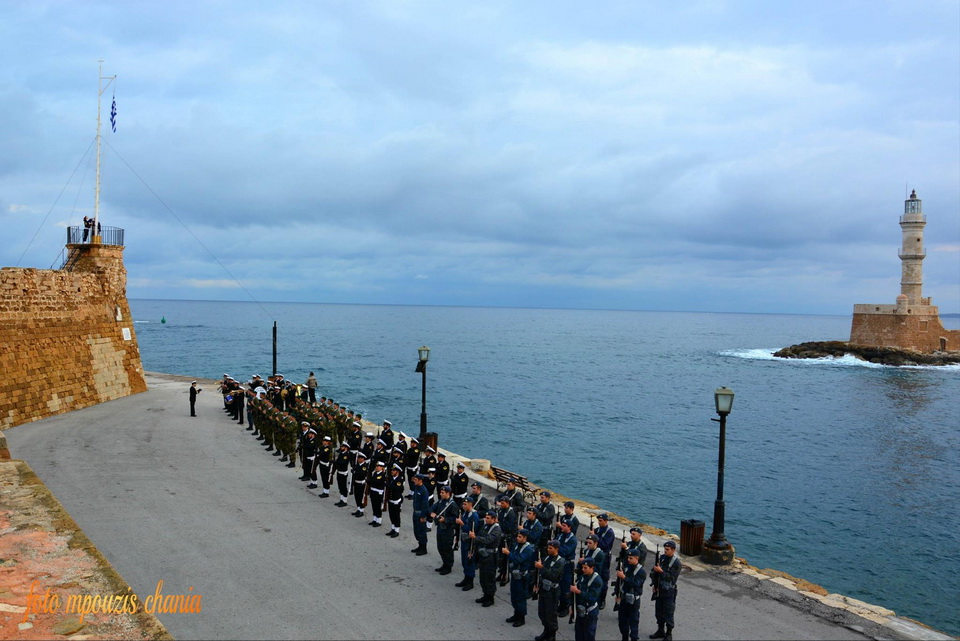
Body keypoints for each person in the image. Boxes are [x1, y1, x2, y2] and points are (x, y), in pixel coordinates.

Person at [503, 528, 536, 627]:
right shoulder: (516, 545)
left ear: (525, 538)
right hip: (515, 574)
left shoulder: (528, 549)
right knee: (514, 596)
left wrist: (508, 553)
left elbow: (519, 559)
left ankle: (521, 617)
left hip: (522, 577)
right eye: (517, 536)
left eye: (520, 537)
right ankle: (516, 614)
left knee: (520, 597)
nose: (517, 538)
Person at [650, 540, 681, 641]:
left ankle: (669, 633)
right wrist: (654, 584)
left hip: (669, 592)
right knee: (658, 612)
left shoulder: (676, 563)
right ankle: (660, 630)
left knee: (668, 613)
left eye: (667, 549)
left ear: (673, 550)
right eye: (665, 549)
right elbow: (654, 572)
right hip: (660, 589)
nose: (665, 551)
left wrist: (661, 571)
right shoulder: (662, 558)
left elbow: (672, 578)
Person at [535, 539, 565, 641]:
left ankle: (552, 635)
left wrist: (541, 568)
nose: (548, 549)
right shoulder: (548, 558)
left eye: (551, 548)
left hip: (552, 591)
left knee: (550, 614)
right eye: (548, 547)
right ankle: (546, 631)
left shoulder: (560, 561)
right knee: (542, 612)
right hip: (544, 588)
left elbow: (553, 575)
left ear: (556, 549)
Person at [471, 510, 502, 607]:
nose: (486, 519)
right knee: (483, 577)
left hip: (491, 556)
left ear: (494, 519)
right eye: (486, 517)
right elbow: (480, 535)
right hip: (483, 554)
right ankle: (485, 594)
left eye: (488, 518)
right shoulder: (485, 526)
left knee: (489, 578)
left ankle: (490, 597)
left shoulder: (496, 529)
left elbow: (488, 540)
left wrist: (475, 538)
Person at [616, 547, 647, 641]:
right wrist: (617, 593)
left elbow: (636, 584)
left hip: (633, 600)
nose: (628, 560)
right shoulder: (627, 567)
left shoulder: (641, 571)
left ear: (637, 558)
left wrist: (624, 577)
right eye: (628, 558)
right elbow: (619, 582)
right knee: (622, 622)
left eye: (631, 558)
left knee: (633, 622)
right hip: (624, 597)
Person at [571, 557, 602, 641]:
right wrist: (572, 607)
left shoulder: (597, 581)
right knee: (579, 633)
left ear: (592, 568)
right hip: (581, 610)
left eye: (585, 568)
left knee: (588, 635)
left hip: (590, 612)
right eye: (582, 567)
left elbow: (592, 598)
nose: (583, 570)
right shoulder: (583, 577)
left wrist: (579, 592)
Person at [455, 495, 481, 591]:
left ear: (470, 505)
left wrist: (462, 524)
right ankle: (466, 578)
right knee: (464, 561)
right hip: (464, 540)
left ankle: (470, 581)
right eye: (463, 504)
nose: (463, 506)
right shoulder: (465, 513)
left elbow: (472, 530)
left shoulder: (474, 516)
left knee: (469, 561)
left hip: (470, 543)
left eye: (465, 504)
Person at [429, 485, 457, 573]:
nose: (441, 494)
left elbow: (455, 518)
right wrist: (432, 512)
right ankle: (444, 563)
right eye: (440, 492)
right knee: (440, 547)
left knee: (447, 548)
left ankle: (448, 566)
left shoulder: (452, 504)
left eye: (443, 493)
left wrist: (446, 520)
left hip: (448, 529)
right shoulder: (441, 501)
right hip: (440, 528)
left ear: (448, 493)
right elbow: (433, 507)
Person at [592, 513, 616, 609]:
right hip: (596, 555)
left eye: (601, 521)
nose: (599, 522)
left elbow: (604, 544)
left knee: (603, 578)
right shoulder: (597, 530)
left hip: (605, 557)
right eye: (598, 521)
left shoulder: (609, 532)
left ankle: (602, 599)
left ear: (606, 521)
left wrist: (594, 537)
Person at [410, 474, 430, 555]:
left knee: (421, 531)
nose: (414, 481)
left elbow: (425, 505)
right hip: (415, 512)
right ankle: (420, 546)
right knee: (417, 531)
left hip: (420, 514)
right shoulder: (417, 487)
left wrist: (423, 516)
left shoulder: (423, 490)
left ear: (420, 480)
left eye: (415, 480)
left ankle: (423, 548)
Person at [385, 464, 405, 538]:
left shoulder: (399, 479)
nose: (392, 471)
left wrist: (387, 485)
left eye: (394, 470)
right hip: (391, 500)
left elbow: (396, 488)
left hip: (396, 500)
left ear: (398, 472)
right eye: (392, 470)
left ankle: (397, 530)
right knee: (391, 515)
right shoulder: (391, 478)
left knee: (396, 516)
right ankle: (393, 528)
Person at [366, 459, 387, 527]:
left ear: (382, 468)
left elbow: (376, 482)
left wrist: (370, 480)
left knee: (378, 507)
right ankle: (375, 519)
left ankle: (379, 520)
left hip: (378, 492)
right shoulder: (375, 473)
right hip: (373, 491)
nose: (377, 467)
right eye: (376, 466)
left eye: (378, 466)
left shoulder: (382, 475)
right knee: (374, 506)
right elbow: (371, 481)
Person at [351, 452, 369, 518]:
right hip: (356, 482)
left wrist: (355, 472)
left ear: (363, 459)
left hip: (361, 483)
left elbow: (361, 474)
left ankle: (361, 511)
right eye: (358, 458)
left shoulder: (364, 466)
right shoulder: (357, 465)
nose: (359, 459)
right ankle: (358, 509)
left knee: (361, 497)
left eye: (360, 458)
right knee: (357, 497)